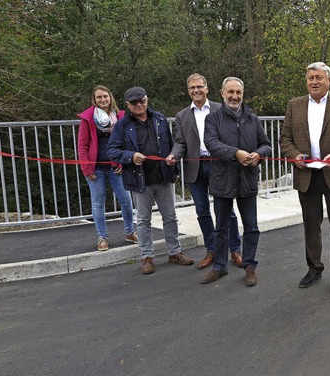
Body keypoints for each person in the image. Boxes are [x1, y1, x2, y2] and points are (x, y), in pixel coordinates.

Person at [279, 62, 330, 294]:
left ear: (329, 80)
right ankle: (314, 268)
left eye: (319, 77)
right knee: (310, 226)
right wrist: (295, 156)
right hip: (307, 175)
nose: (314, 81)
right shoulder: (294, 105)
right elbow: (285, 139)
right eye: (310, 78)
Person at [107, 87, 194, 274]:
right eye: (134, 102)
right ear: (128, 105)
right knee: (143, 220)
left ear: (147, 100)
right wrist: (130, 156)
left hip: (164, 176)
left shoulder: (160, 118)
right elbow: (112, 151)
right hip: (140, 180)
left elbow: (172, 145)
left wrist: (174, 168)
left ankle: (174, 252)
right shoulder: (122, 125)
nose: (139, 105)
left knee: (170, 217)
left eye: (142, 100)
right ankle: (147, 257)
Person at [166, 73, 243, 270]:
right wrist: (174, 156)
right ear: (188, 91)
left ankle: (235, 249)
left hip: (220, 165)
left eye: (199, 86)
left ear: (207, 89)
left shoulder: (221, 108)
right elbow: (180, 143)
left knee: (226, 211)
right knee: (202, 211)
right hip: (195, 168)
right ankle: (212, 250)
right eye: (192, 88)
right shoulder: (182, 116)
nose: (196, 90)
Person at [200, 77, 271, 286]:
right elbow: (211, 144)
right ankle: (219, 267)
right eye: (230, 92)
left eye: (238, 92)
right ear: (222, 93)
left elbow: (266, 145)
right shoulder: (212, 118)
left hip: (247, 180)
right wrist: (236, 153)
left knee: (251, 227)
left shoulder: (252, 118)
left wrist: (258, 154)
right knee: (220, 227)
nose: (234, 96)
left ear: (243, 94)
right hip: (223, 180)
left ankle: (250, 266)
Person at [77, 85, 136, 252]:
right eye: (99, 97)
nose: (103, 100)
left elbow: (126, 142)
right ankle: (102, 237)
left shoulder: (121, 117)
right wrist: (87, 169)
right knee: (98, 203)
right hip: (96, 168)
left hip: (116, 166)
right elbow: (82, 145)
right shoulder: (88, 118)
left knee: (126, 200)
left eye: (105, 97)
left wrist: (122, 162)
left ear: (111, 98)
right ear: (94, 100)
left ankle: (130, 232)